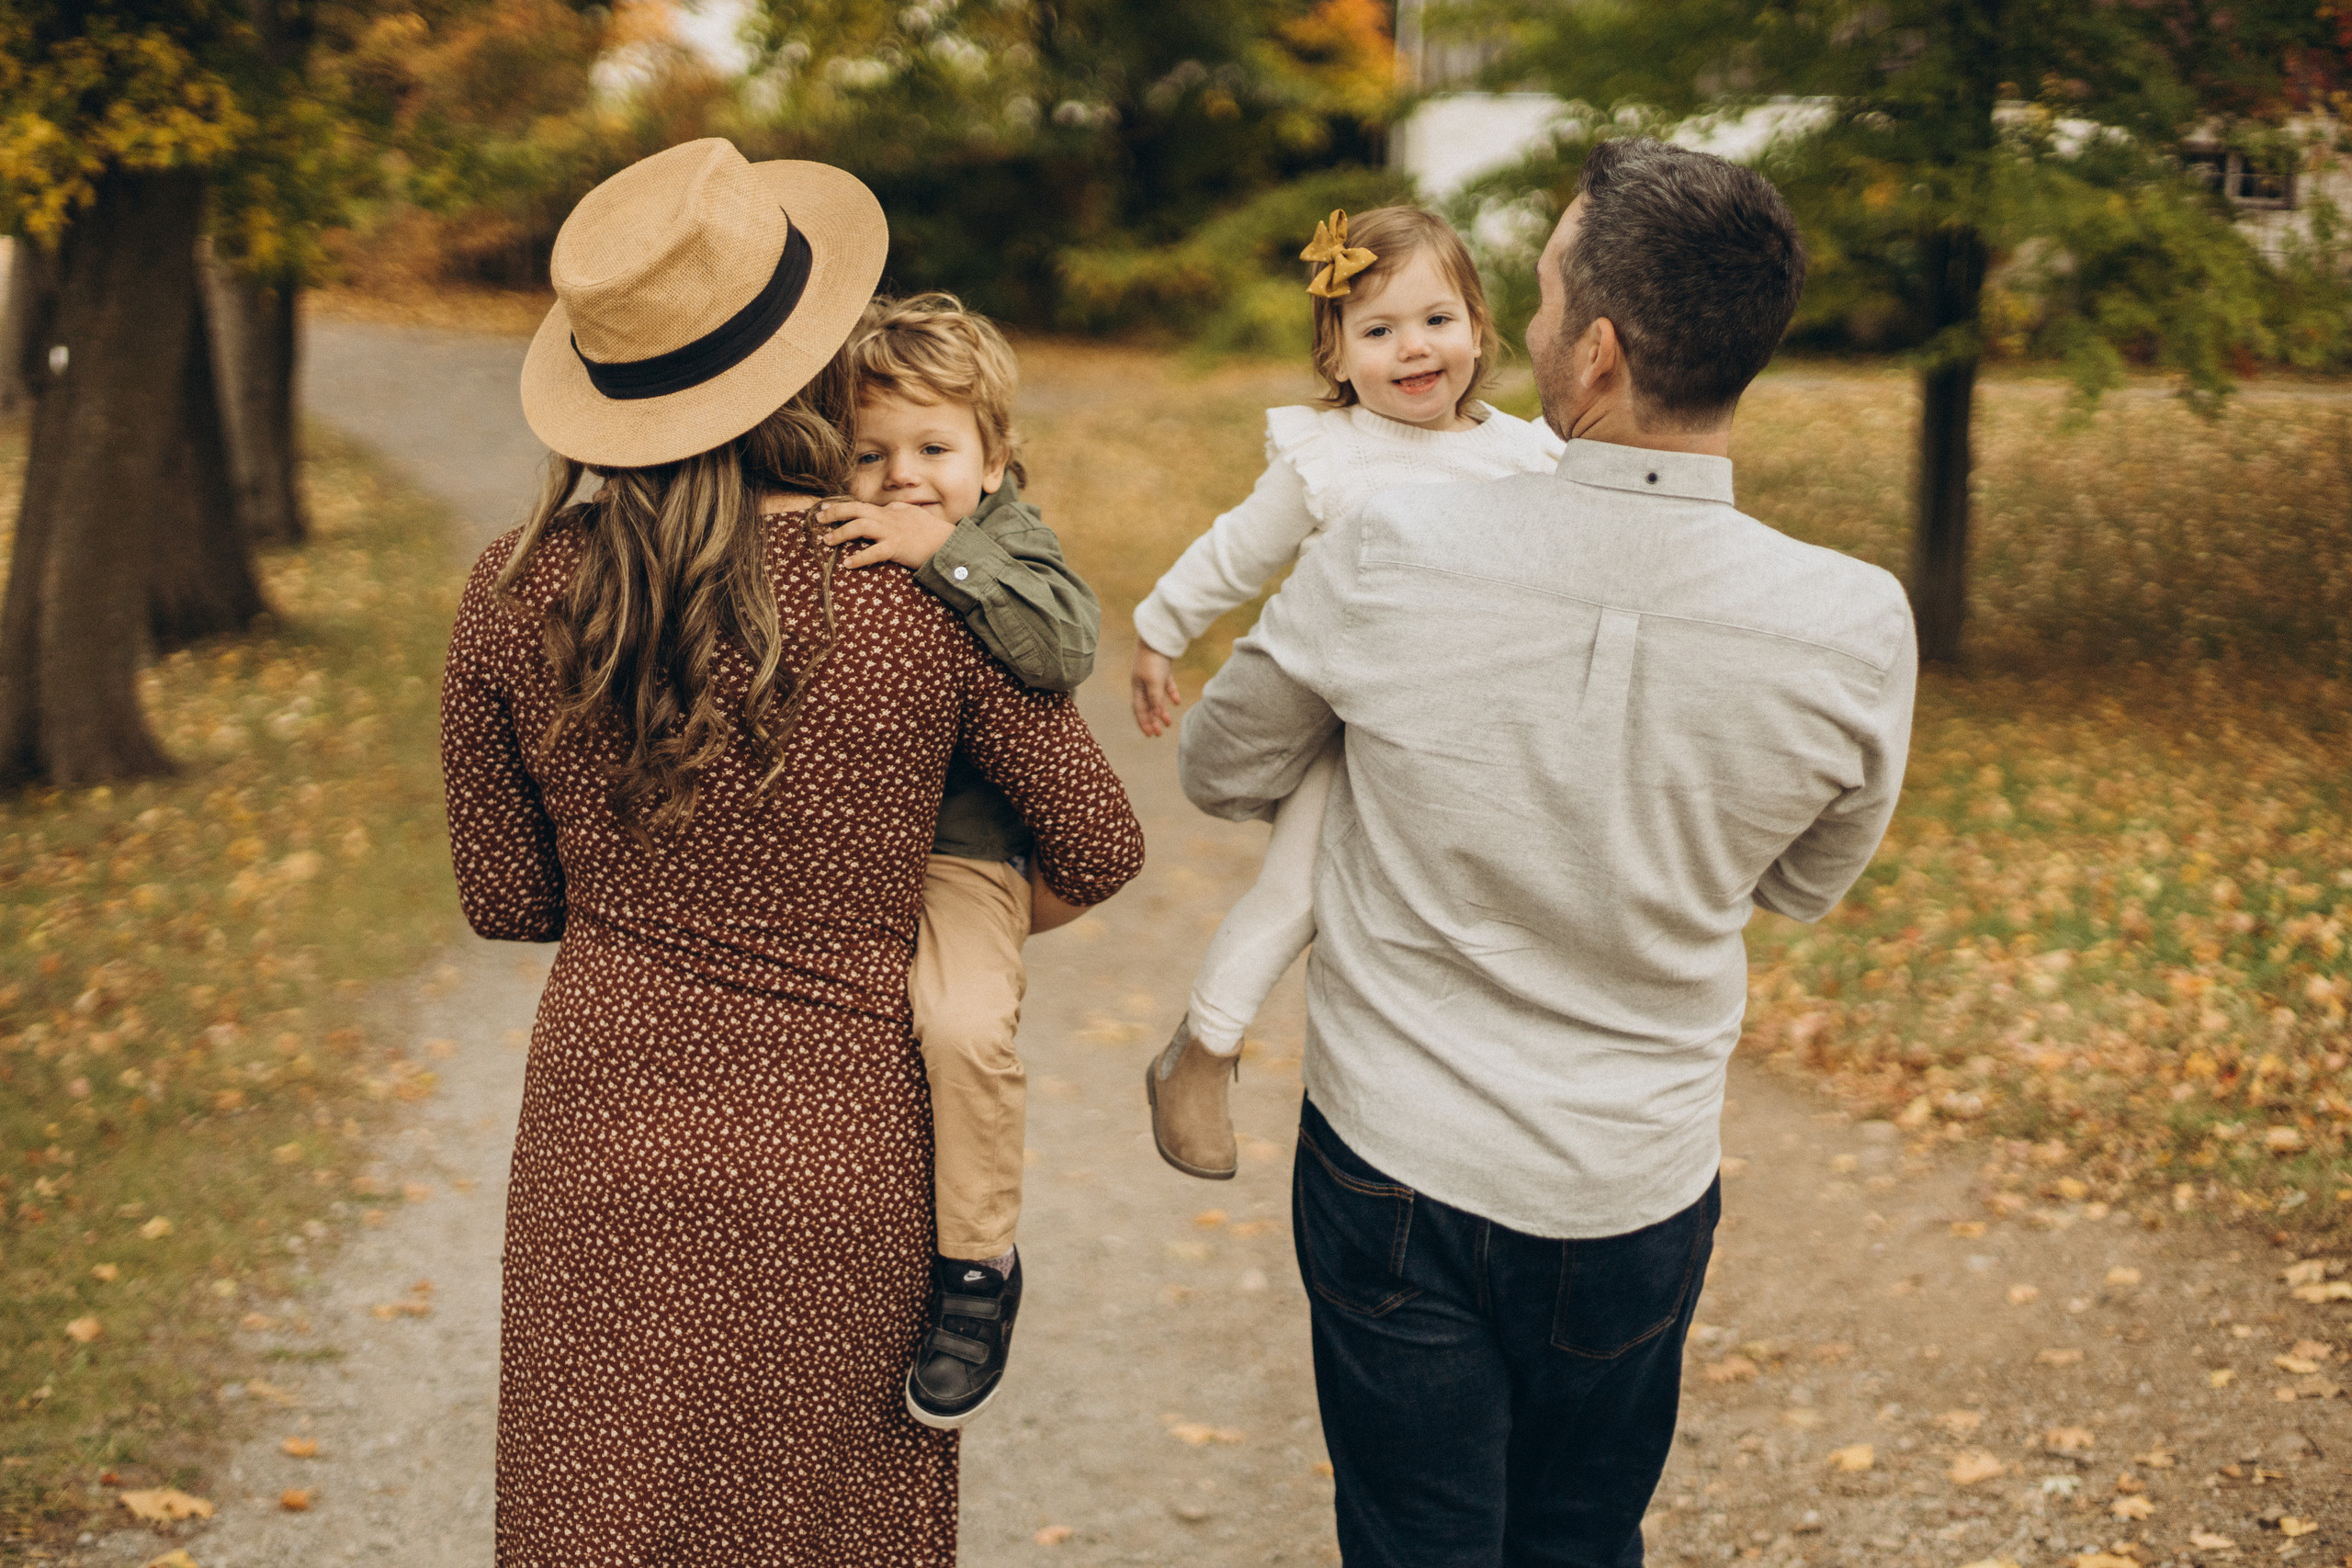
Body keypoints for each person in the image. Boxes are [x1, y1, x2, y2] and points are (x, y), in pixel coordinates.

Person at [1177, 137, 1917, 1566]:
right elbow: (1805, 882)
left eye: (1538, 296)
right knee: (1582, 1538)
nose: (1517, 329)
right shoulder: (1856, 623)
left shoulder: (1392, 546)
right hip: (1635, 1179)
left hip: (1397, 1154)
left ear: (1598, 351)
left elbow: (1223, 765)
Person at [440, 138, 1144, 1566]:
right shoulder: (911, 585)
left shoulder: (514, 587)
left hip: (606, 1134)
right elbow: (1102, 840)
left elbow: (508, 895)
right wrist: (909, 917)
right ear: (809, 361)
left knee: (604, 1521)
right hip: (848, 1141)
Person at [1127, 206, 1565, 1181]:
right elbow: (1237, 551)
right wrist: (1159, 629)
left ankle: (1468, 1093)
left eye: (1436, 320)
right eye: (1378, 330)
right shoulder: (1332, 457)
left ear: (1478, 327)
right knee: (1298, 890)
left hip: (1472, 737)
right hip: (1350, 724)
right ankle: (1203, 1050)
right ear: (1335, 354)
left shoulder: (1528, 458)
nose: (1413, 348)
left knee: (1476, 903)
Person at [813, 293, 1101, 1427]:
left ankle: (978, 1269)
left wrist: (947, 558)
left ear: (993, 460)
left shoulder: (1009, 543)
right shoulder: (827, 531)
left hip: (958, 856)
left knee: (963, 1026)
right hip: (837, 845)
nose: (901, 477)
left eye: (933, 450)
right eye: (870, 452)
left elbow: (1063, 649)